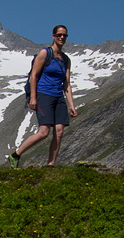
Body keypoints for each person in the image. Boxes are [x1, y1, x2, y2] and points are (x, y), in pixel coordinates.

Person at [8, 26, 77, 168]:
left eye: (64, 35)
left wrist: (71, 105)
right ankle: (16, 155)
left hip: (59, 97)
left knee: (59, 131)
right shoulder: (45, 53)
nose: (62, 38)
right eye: (59, 35)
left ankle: (51, 164)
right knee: (44, 132)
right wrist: (33, 97)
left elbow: (67, 84)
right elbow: (34, 75)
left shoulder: (65, 60)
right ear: (53, 36)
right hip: (44, 95)